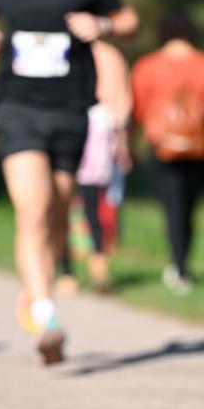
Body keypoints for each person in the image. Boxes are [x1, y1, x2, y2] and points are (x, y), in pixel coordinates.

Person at [0, 0, 138, 364]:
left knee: (59, 214)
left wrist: (100, 26)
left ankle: (33, 290)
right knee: (34, 209)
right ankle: (45, 315)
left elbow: (129, 20)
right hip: (17, 106)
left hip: (71, 109)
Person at [132, 8, 204, 294]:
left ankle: (178, 266)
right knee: (187, 208)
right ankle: (181, 264)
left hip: (161, 147)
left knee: (171, 208)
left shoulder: (147, 66)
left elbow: (137, 111)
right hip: (198, 149)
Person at [59, 39, 133, 295]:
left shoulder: (62, 46)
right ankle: (98, 269)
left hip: (75, 132)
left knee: (64, 208)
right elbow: (122, 106)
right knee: (93, 208)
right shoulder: (111, 54)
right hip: (99, 138)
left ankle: (68, 274)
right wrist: (122, 145)